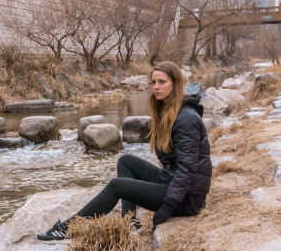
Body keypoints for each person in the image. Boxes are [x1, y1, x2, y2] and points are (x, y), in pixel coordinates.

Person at [37, 61, 212, 241]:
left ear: (175, 84)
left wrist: (165, 209)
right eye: (153, 82)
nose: (156, 87)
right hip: (173, 182)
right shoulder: (168, 110)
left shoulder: (185, 119)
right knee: (126, 161)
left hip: (188, 200)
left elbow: (187, 170)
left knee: (117, 186)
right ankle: (130, 223)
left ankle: (67, 228)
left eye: (162, 82)